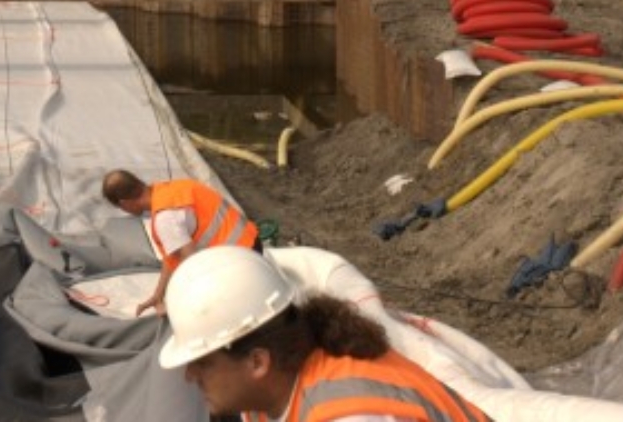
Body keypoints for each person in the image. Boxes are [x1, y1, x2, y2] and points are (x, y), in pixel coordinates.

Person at [159, 245, 493, 422]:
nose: (189, 375)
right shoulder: (269, 393)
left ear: (258, 362)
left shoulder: (352, 414)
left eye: (202, 361)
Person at [102, 168, 259, 317]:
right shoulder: (176, 188)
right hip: (250, 243)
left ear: (124, 203)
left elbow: (191, 266)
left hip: (238, 266)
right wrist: (159, 294)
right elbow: (174, 257)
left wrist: (176, 302)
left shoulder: (165, 219)